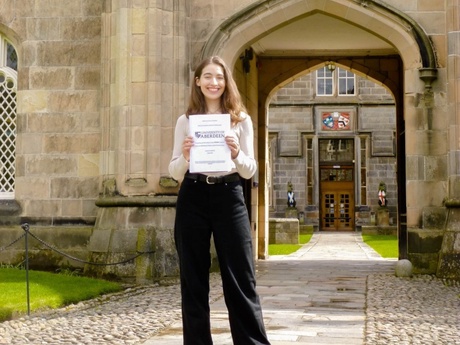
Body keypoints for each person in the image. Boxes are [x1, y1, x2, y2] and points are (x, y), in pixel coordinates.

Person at [169, 56, 271, 345]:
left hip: (230, 195)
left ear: (227, 83)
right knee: (193, 281)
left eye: (220, 77)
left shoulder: (241, 120)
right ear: (198, 82)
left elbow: (250, 170)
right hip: (193, 195)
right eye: (208, 77)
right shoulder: (185, 121)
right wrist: (186, 158)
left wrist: (237, 153)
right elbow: (173, 170)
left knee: (241, 277)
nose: (214, 82)